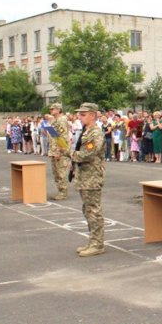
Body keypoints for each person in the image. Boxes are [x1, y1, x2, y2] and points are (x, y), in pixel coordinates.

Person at [69, 103, 107, 257]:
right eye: (79, 114)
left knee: (93, 211)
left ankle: (97, 244)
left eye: (83, 114)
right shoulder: (86, 132)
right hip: (85, 177)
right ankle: (93, 241)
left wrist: (70, 154)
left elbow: (88, 154)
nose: (80, 117)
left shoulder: (95, 133)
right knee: (88, 210)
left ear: (92, 115)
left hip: (92, 177)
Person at [47, 103, 72, 200]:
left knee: (61, 172)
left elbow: (63, 137)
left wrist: (59, 151)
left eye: (52, 109)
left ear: (58, 110)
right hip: (54, 150)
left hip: (60, 151)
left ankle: (63, 192)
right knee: (56, 172)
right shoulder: (55, 120)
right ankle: (60, 190)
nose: (51, 110)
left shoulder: (62, 120)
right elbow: (54, 135)